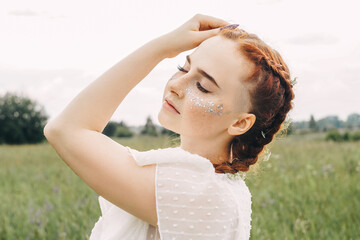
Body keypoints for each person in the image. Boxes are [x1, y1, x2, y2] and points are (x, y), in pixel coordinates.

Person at [44, 13, 295, 240]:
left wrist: (164, 47)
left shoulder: (199, 191)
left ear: (240, 123)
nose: (176, 85)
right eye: (183, 67)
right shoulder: (216, 186)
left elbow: (66, 130)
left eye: (203, 86)